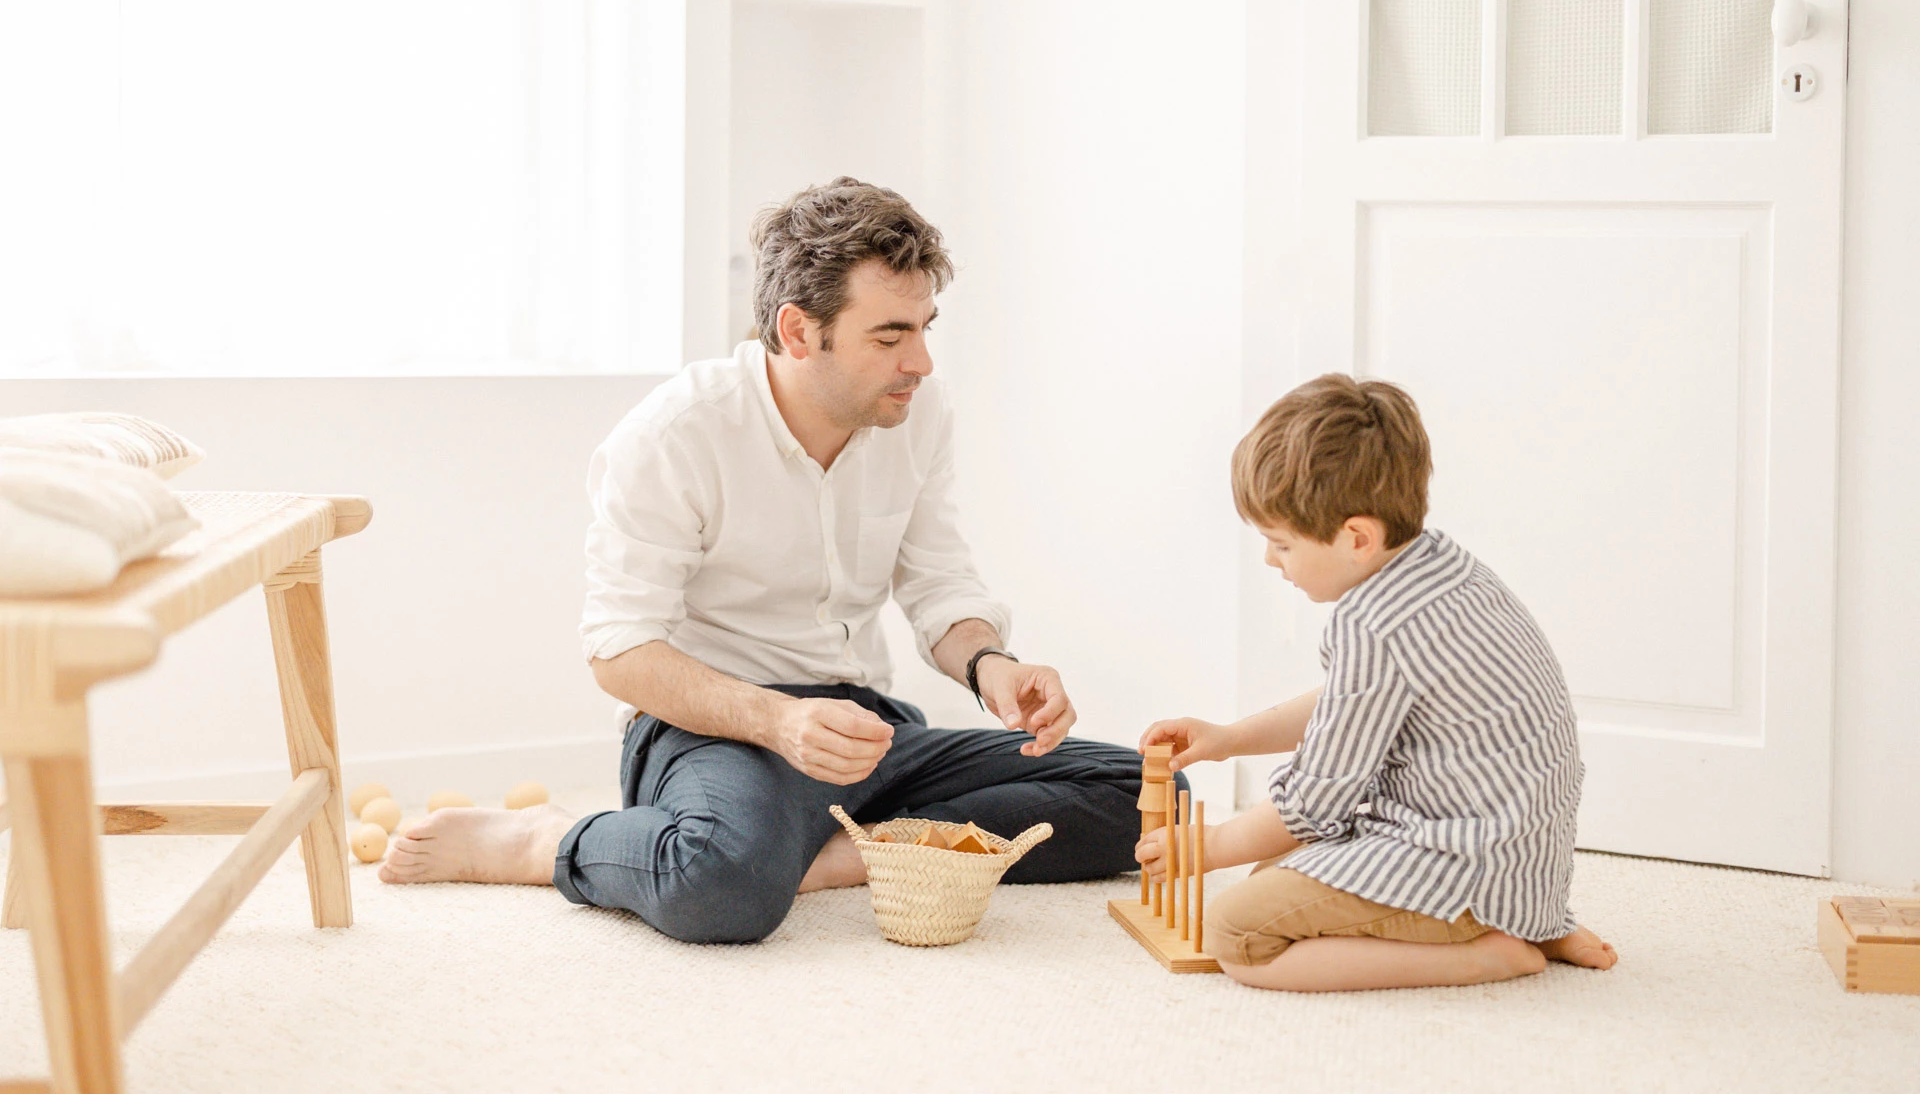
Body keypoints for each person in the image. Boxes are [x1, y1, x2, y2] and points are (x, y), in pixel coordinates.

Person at [380, 177, 1161, 942]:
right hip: (711, 730)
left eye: (925, 328)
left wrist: (991, 665)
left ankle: (825, 858)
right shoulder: (676, 434)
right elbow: (618, 649)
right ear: (797, 332)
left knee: (1154, 799)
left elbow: (937, 582)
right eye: (890, 336)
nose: (919, 361)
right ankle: (543, 842)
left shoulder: (918, 417)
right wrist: (778, 719)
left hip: (864, 731)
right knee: (721, 888)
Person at [1136, 374, 1617, 991]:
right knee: (1275, 868)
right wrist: (1230, 738)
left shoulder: (1373, 624)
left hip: (1460, 862)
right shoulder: (1441, 566)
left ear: (1356, 538)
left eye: (1281, 545)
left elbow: (1312, 805)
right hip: (1521, 860)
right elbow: (1350, 704)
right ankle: (1531, 922)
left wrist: (1207, 846)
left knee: (1240, 932)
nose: (1269, 561)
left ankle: (1486, 953)